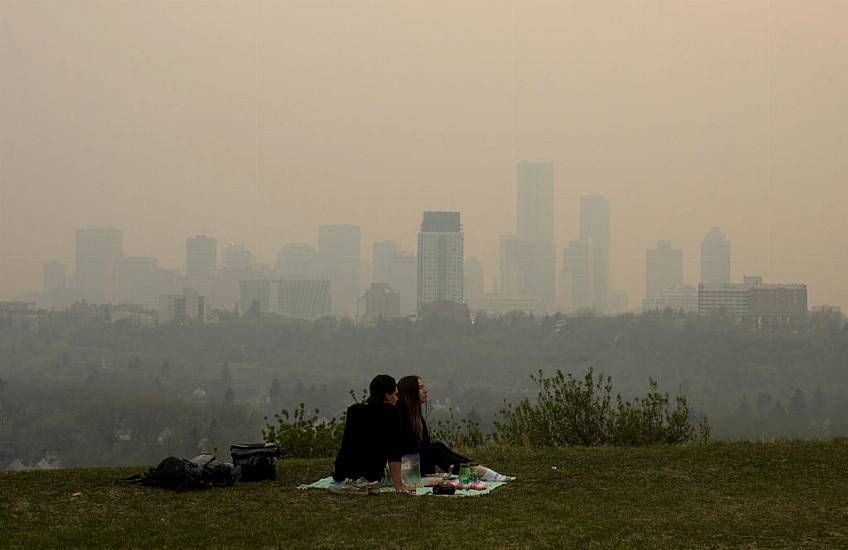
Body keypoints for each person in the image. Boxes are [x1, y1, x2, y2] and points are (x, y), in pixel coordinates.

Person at [396, 375, 513, 482]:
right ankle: (479, 472)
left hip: (417, 464)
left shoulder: (416, 415)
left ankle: (476, 469)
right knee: (435, 449)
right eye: (420, 388)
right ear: (411, 392)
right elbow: (407, 448)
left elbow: (423, 444)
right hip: (406, 466)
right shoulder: (401, 411)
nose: (425, 391)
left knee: (438, 446)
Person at [331, 374, 413, 494]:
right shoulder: (391, 412)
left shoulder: (354, 410)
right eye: (395, 394)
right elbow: (394, 450)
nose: (397, 398)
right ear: (387, 395)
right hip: (371, 474)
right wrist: (399, 485)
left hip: (342, 471)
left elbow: (347, 445)